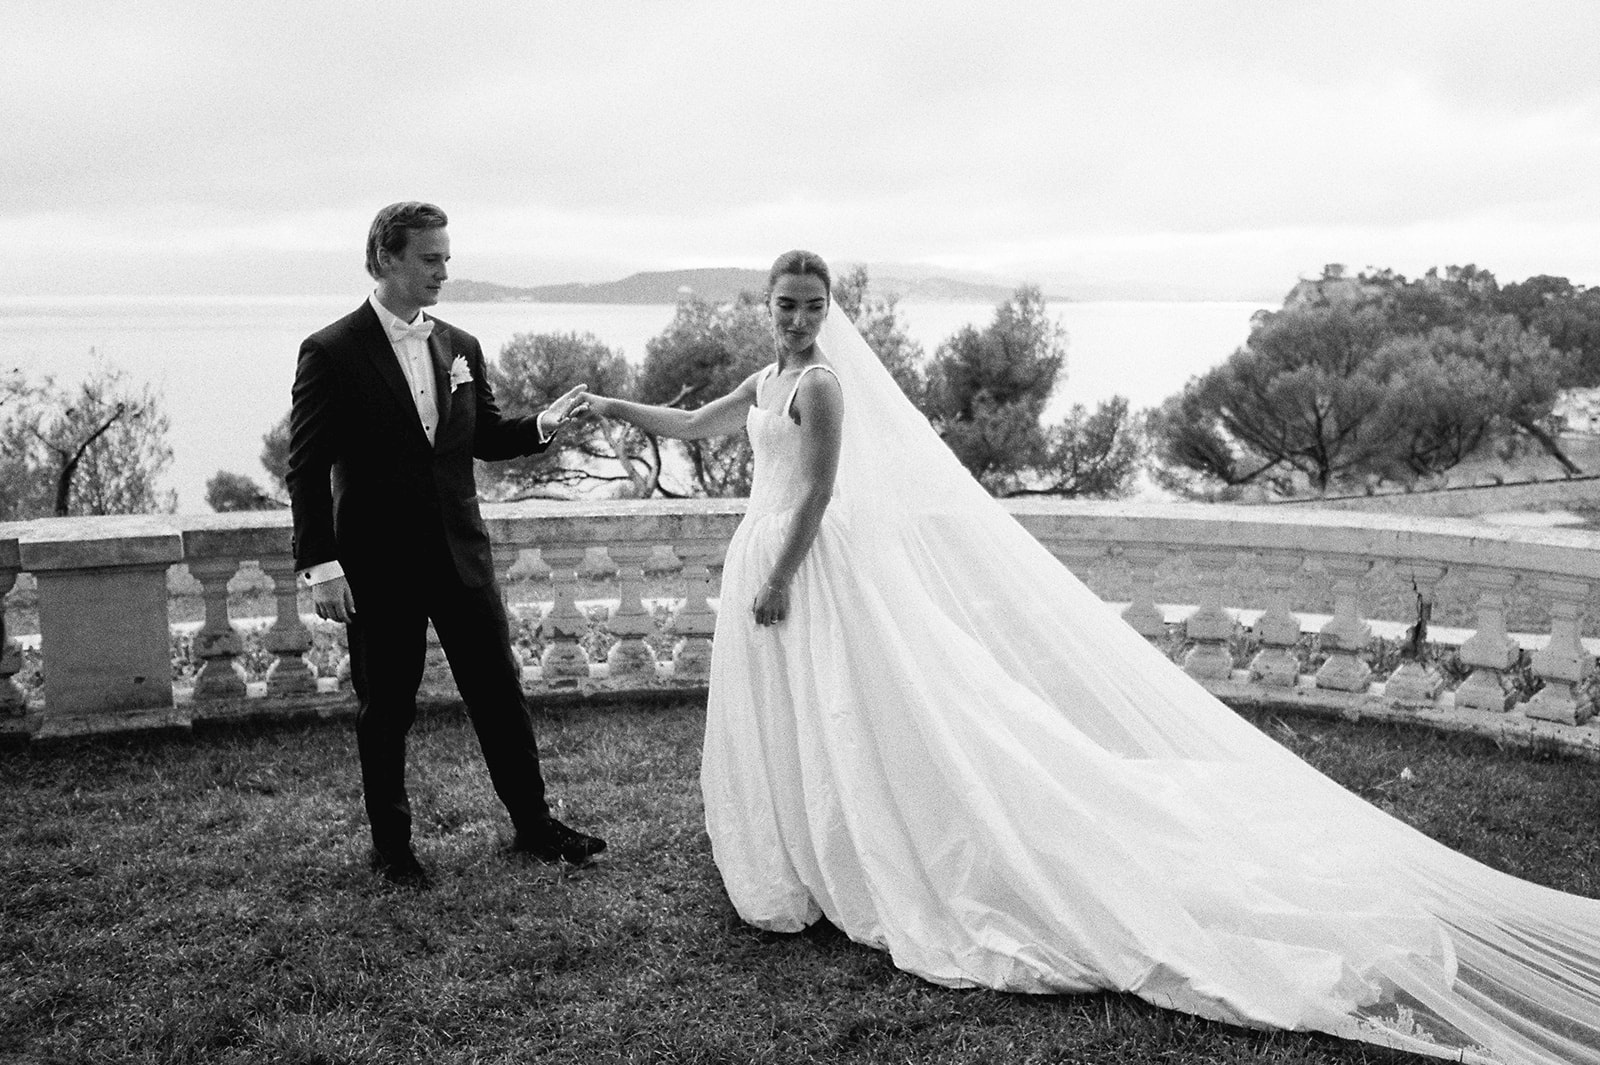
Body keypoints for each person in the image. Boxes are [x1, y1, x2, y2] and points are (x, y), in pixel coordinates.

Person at [584, 250, 1600, 1063]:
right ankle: (807, 845)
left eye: (810, 305)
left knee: (859, 708)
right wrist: (608, 410)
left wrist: (776, 579)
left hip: (805, 564)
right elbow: (686, 423)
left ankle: (878, 843)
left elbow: (812, 494)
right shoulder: (764, 376)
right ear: (763, 308)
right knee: (802, 712)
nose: (796, 318)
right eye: (783, 304)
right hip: (767, 553)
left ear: (828, 310)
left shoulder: (822, 386)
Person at [287, 201, 606, 887]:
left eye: (446, 259)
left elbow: (484, 437)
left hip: (462, 557)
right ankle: (393, 849)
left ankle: (534, 823)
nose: (443, 272)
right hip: (379, 565)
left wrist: (543, 424)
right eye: (431, 259)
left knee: (499, 693)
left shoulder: (460, 344)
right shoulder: (331, 352)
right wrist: (321, 566)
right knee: (387, 709)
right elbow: (305, 467)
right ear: (386, 259)